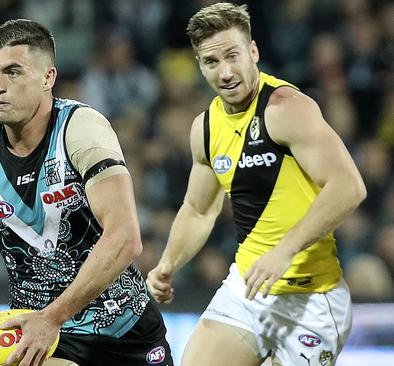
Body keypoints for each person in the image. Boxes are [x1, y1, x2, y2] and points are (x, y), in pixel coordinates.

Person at [0, 19, 173, 366]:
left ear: (48, 78)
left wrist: (53, 317)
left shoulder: (82, 130)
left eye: (13, 72)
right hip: (45, 340)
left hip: (126, 332)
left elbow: (125, 238)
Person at [146, 3, 366, 366]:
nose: (226, 72)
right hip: (246, 289)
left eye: (233, 56)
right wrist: (168, 263)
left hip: (312, 299)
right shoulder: (205, 128)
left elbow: (348, 186)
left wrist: (285, 250)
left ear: (253, 52)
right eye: (211, 62)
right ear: (200, 66)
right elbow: (198, 210)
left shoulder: (285, 108)